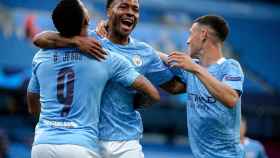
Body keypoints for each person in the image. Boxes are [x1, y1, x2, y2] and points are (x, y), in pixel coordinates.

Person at [32, 0, 186, 157]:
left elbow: (174, 87)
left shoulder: (145, 52)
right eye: (123, 6)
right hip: (88, 141)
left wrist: (167, 60)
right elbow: (40, 39)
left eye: (135, 9)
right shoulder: (88, 39)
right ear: (108, 11)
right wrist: (76, 41)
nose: (130, 13)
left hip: (126, 141)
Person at [162, 15, 244, 157]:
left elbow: (231, 98)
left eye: (190, 33)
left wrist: (195, 68)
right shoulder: (192, 68)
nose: (187, 41)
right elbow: (161, 58)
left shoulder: (230, 66)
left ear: (203, 35)